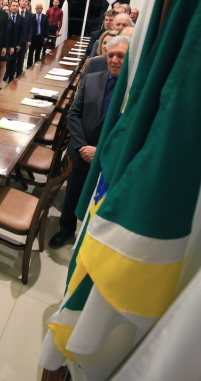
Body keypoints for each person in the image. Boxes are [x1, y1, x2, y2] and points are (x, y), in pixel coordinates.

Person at [50, 35, 130, 248]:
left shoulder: (133, 91)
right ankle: (66, 229)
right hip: (80, 150)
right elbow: (73, 114)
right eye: (110, 55)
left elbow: (128, 129)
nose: (114, 60)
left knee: (100, 199)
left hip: (109, 157)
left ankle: (90, 238)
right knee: (72, 193)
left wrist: (100, 151)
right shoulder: (91, 79)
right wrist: (82, 146)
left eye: (120, 56)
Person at [6, 0, 29, 82]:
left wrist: (20, 44)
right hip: (7, 44)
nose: (15, 7)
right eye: (13, 6)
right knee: (6, 62)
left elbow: (24, 33)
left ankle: (11, 78)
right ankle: (5, 75)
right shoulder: (6, 17)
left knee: (13, 62)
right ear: (10, 7)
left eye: (16, 6)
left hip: (17, 44)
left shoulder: (22, 19)